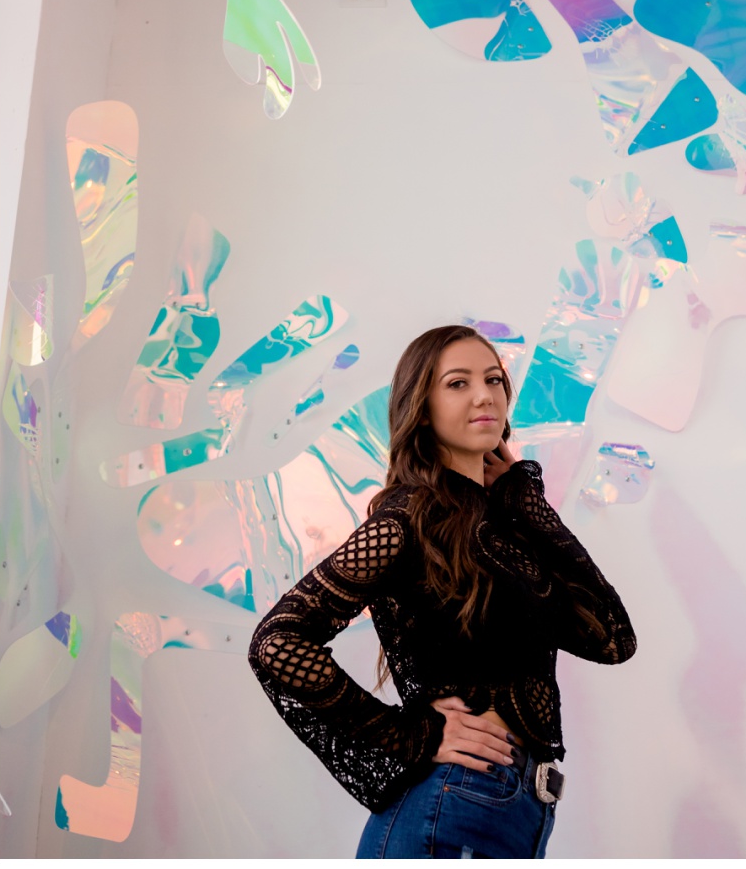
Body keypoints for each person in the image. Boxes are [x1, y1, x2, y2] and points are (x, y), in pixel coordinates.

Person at [249, 323, 636, 858]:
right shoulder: (405, 520)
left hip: (516, 809)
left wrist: (526, 503)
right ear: (421, 407)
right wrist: (412, 735)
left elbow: (613, 639)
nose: (485, 395)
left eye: (495, 380)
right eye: (457, 383)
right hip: (454, 803)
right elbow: (276, 642)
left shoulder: (506, 528)